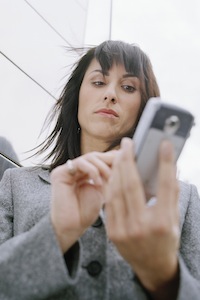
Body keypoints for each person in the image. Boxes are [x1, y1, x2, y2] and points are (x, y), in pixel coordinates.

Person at [0, 40, 199, 300]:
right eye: (98, 82)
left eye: (128, 87)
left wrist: (163, 273)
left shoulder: (183, 197)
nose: (111, 94)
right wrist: (57, 232)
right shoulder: (16, 183)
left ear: (144, 107)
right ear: (78, 96)